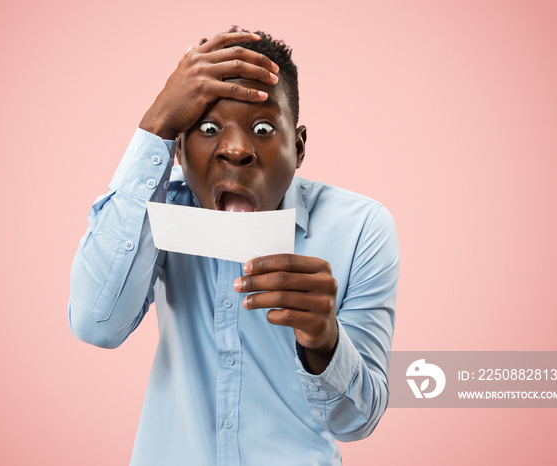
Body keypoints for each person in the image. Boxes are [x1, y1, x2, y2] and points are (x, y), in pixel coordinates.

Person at [69, 27, 400, 465]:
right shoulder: (157, 205)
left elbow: (358, 420)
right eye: (208, 128)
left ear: (298, 147)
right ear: (181, 149)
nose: (237, 150)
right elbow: (97, 324)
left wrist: (325, 342)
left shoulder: (361, 227)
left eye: (263, 128)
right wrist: (155, 127)